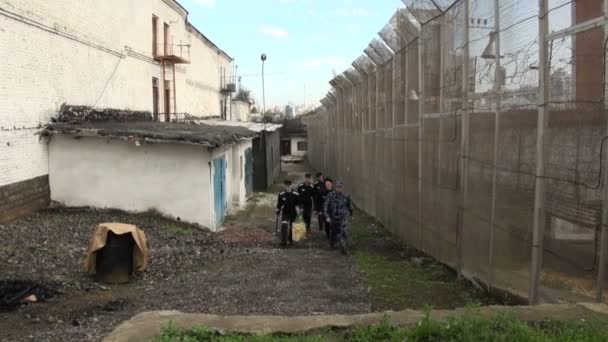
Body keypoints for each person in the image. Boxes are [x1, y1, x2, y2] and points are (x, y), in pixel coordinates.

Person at [323, 180, 353, 254]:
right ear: (335, 187)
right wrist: (327, 216)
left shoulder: (346, 196)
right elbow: (325, 206)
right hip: (333, 218)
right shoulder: (330, 195)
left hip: (343, 217)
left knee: (343, 232)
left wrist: (351, 214)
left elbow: (350, 206)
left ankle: (344, 248)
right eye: (337, 187)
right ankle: (332, 244)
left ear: (342, 188)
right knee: (333, 233)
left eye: (340, 187)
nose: (339, 189)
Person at [276, 179, 299, 246]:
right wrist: (278, 210)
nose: (287, 187)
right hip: (285, 212)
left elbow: (298, 203)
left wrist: (299, 210)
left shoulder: (296, 194)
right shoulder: (281, 194)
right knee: (284, 225)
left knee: (292, 227)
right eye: (286, 186)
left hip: (293, 213)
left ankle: (291, 240)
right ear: (284, 186)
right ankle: (284, 242)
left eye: (289, 186)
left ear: (291, 186)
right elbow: (279, 205)